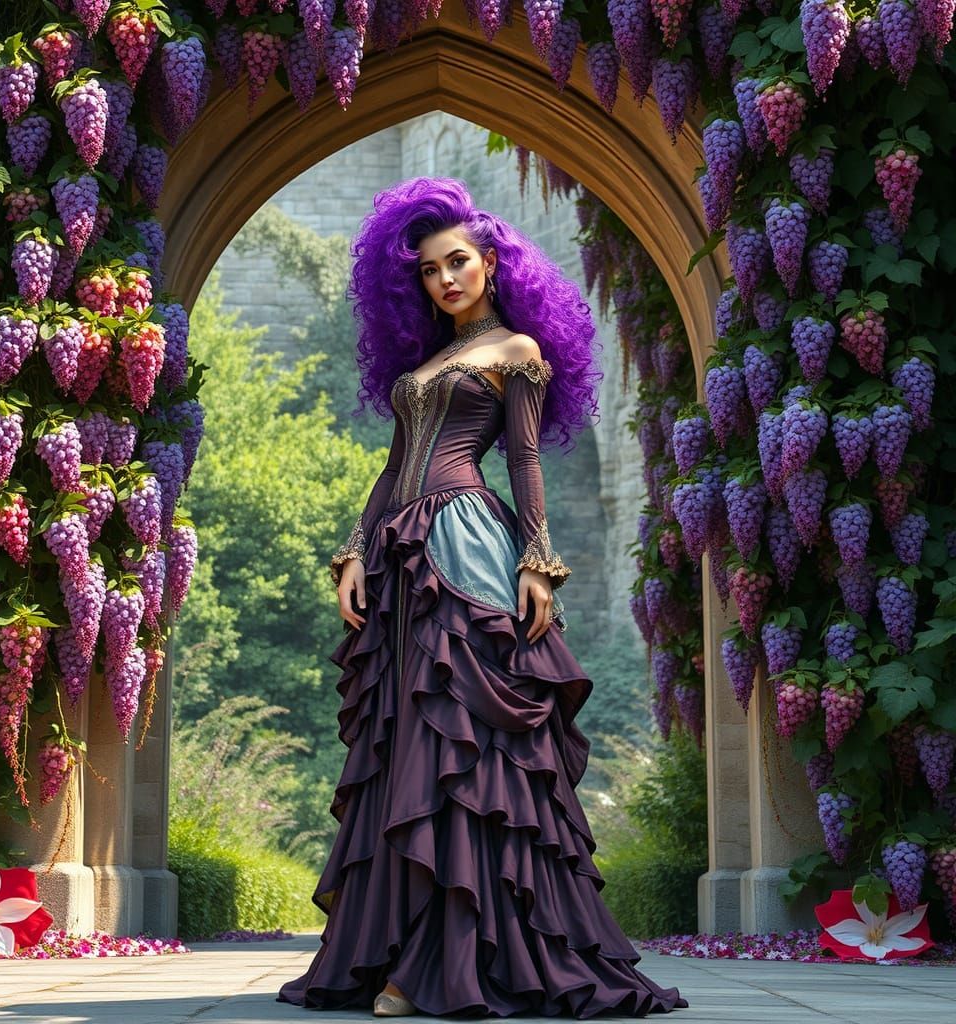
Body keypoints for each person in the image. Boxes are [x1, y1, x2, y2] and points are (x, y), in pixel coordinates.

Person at [276, 177, 687, 1017]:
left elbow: (525, 462)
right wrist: (353, 551)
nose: (444, 279)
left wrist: (538, 559)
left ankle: (455, 959)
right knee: (406, 741)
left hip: (465, 540)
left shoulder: (517, 351)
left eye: (457, 262)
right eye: (428, 271)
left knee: (461, 738)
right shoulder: (424, 362)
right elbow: (395, 467)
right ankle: (400, 952)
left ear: (493, 263)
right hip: (400, 555)